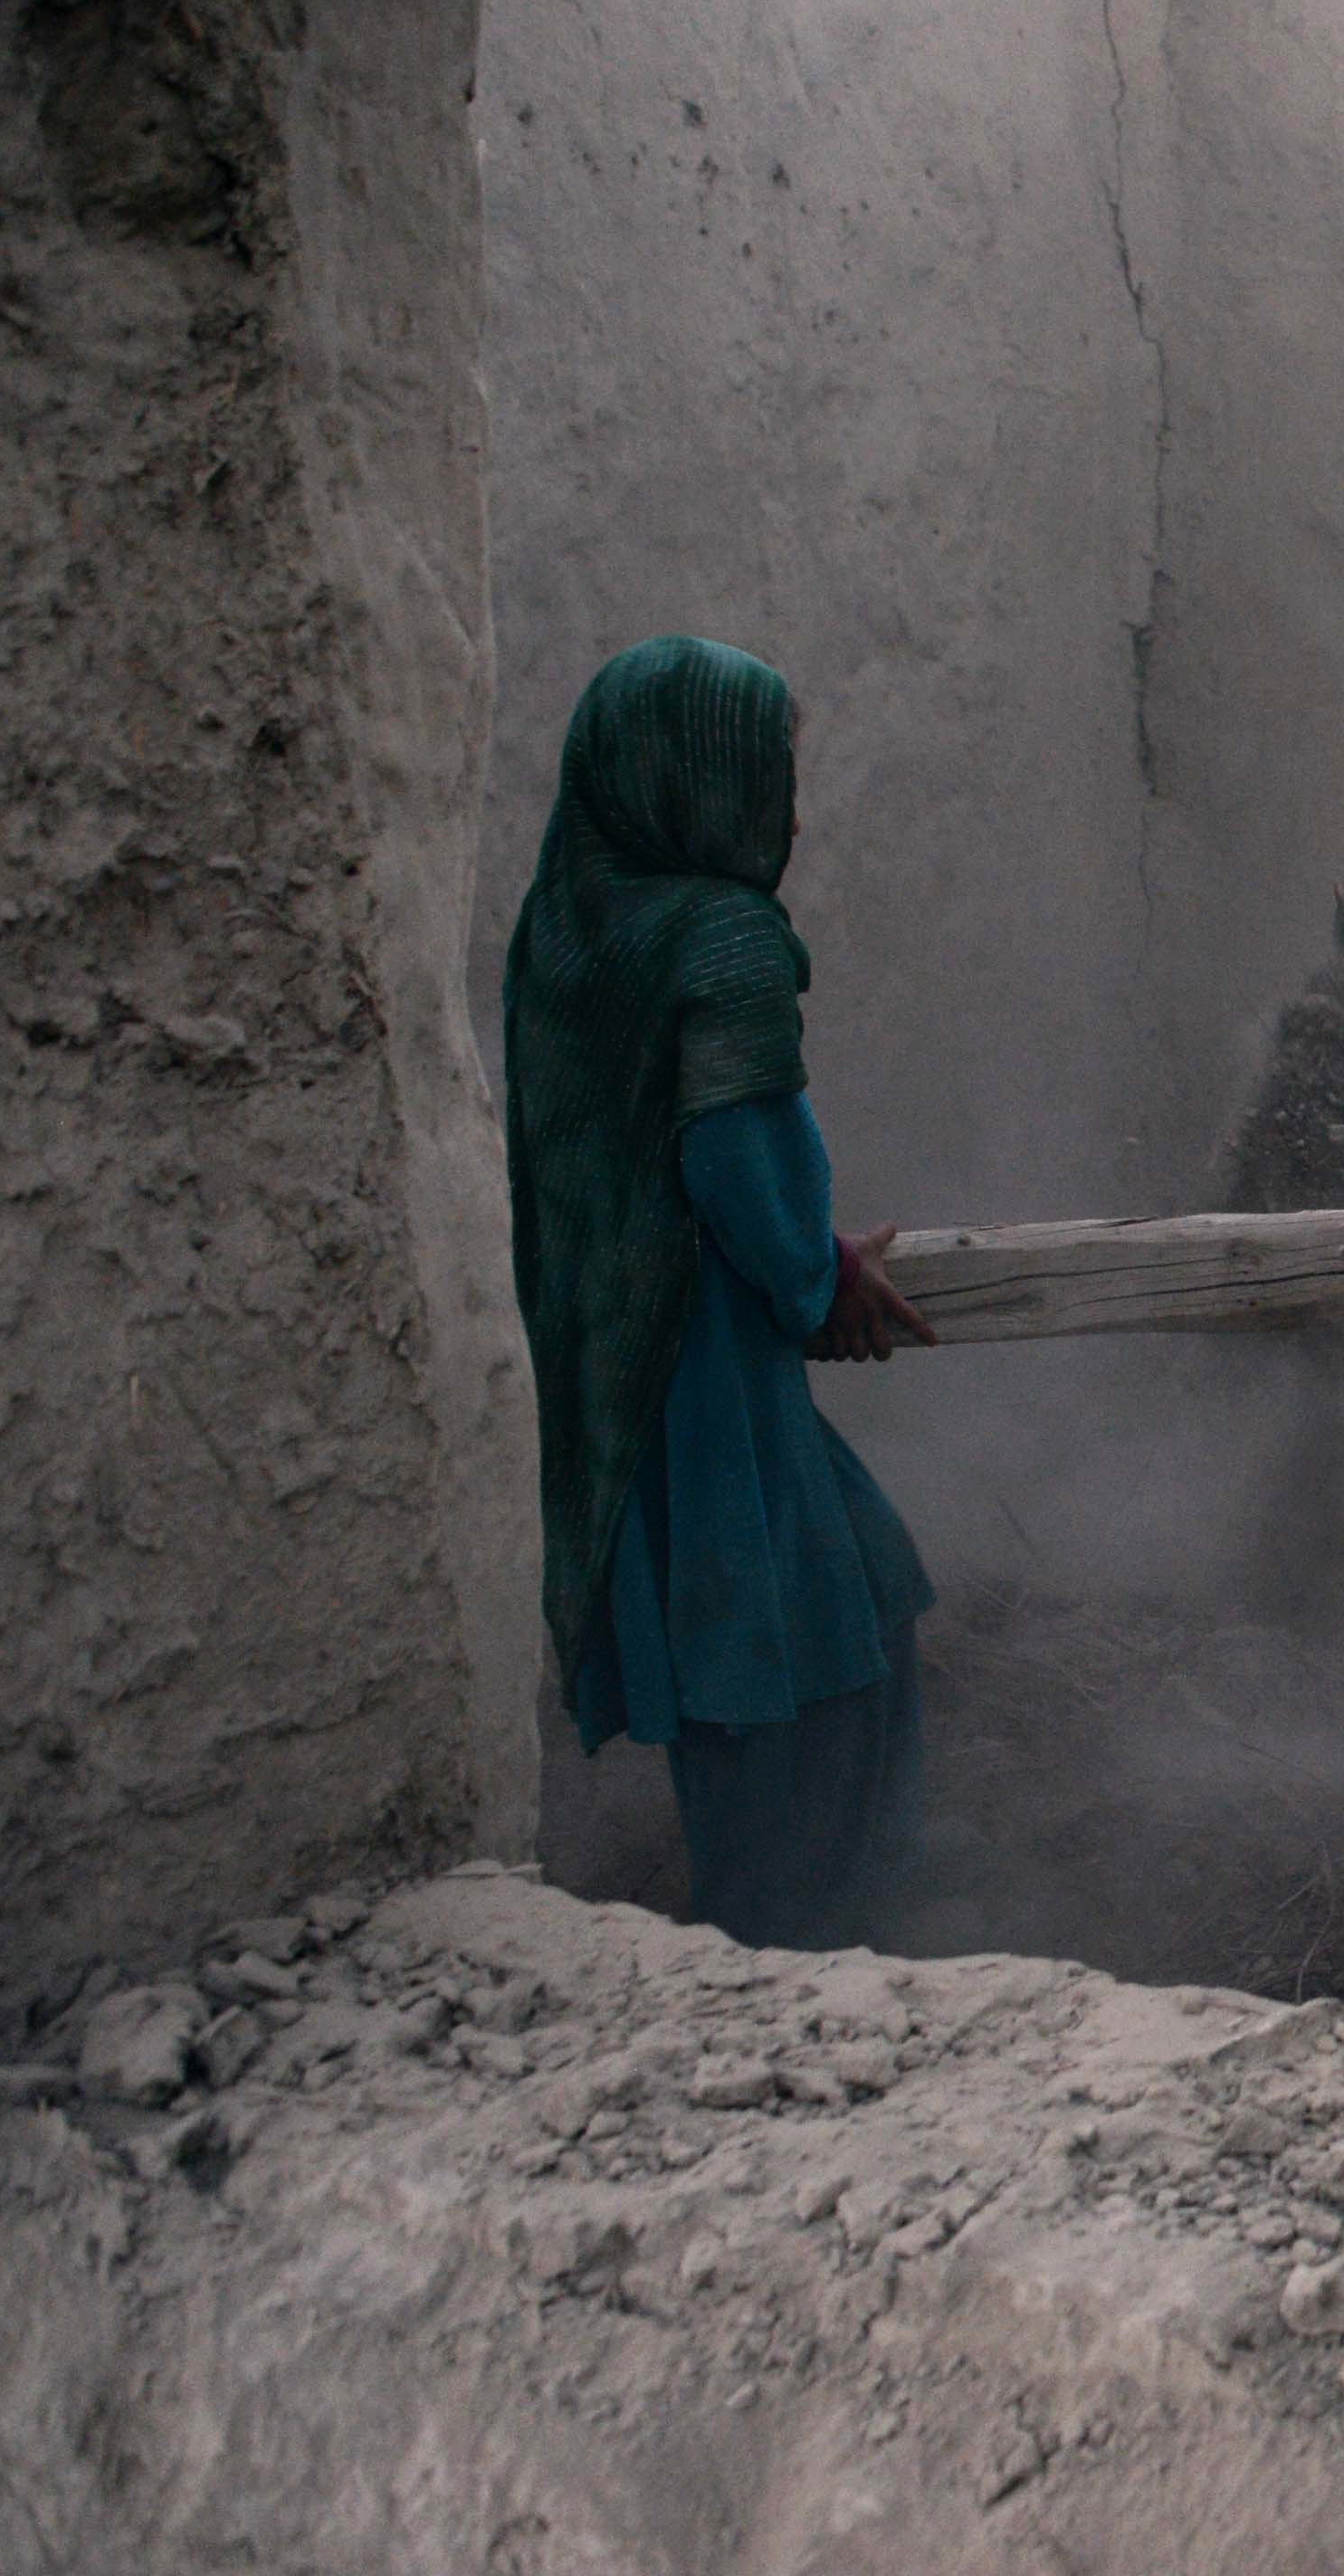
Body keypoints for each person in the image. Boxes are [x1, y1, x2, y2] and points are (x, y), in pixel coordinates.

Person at [506, 635, 938, 1951]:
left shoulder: (570, 926)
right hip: (706, 1363)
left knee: (752, 1637)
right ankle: (802, 1942)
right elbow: (736, 1155)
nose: (793, 812)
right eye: (771, 774)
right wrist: (823, 1279)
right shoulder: (729, 940)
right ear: (696, 781)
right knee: (806, 1646)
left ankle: (778, 1919)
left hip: (608, 1361)